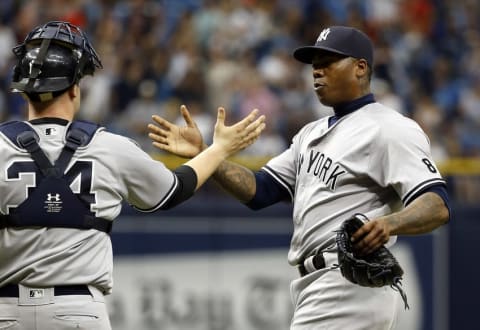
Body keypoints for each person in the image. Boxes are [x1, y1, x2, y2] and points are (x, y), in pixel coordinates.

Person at [148, 26, 451, 329]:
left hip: (348, 281)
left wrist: (389, 223)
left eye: (328, 62)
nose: (317, 72)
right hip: (316, 286)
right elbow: (260, 191)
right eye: (315, 65)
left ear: (360, 67)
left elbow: (436, 204)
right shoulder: (310, 133)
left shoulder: (390, 128)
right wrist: (206, 154)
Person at [0, 21, 265, 330]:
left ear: (23, 91)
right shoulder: (109, 147)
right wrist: (216, 150)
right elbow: (175, 189)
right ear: (75, 88)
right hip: (78, 310)